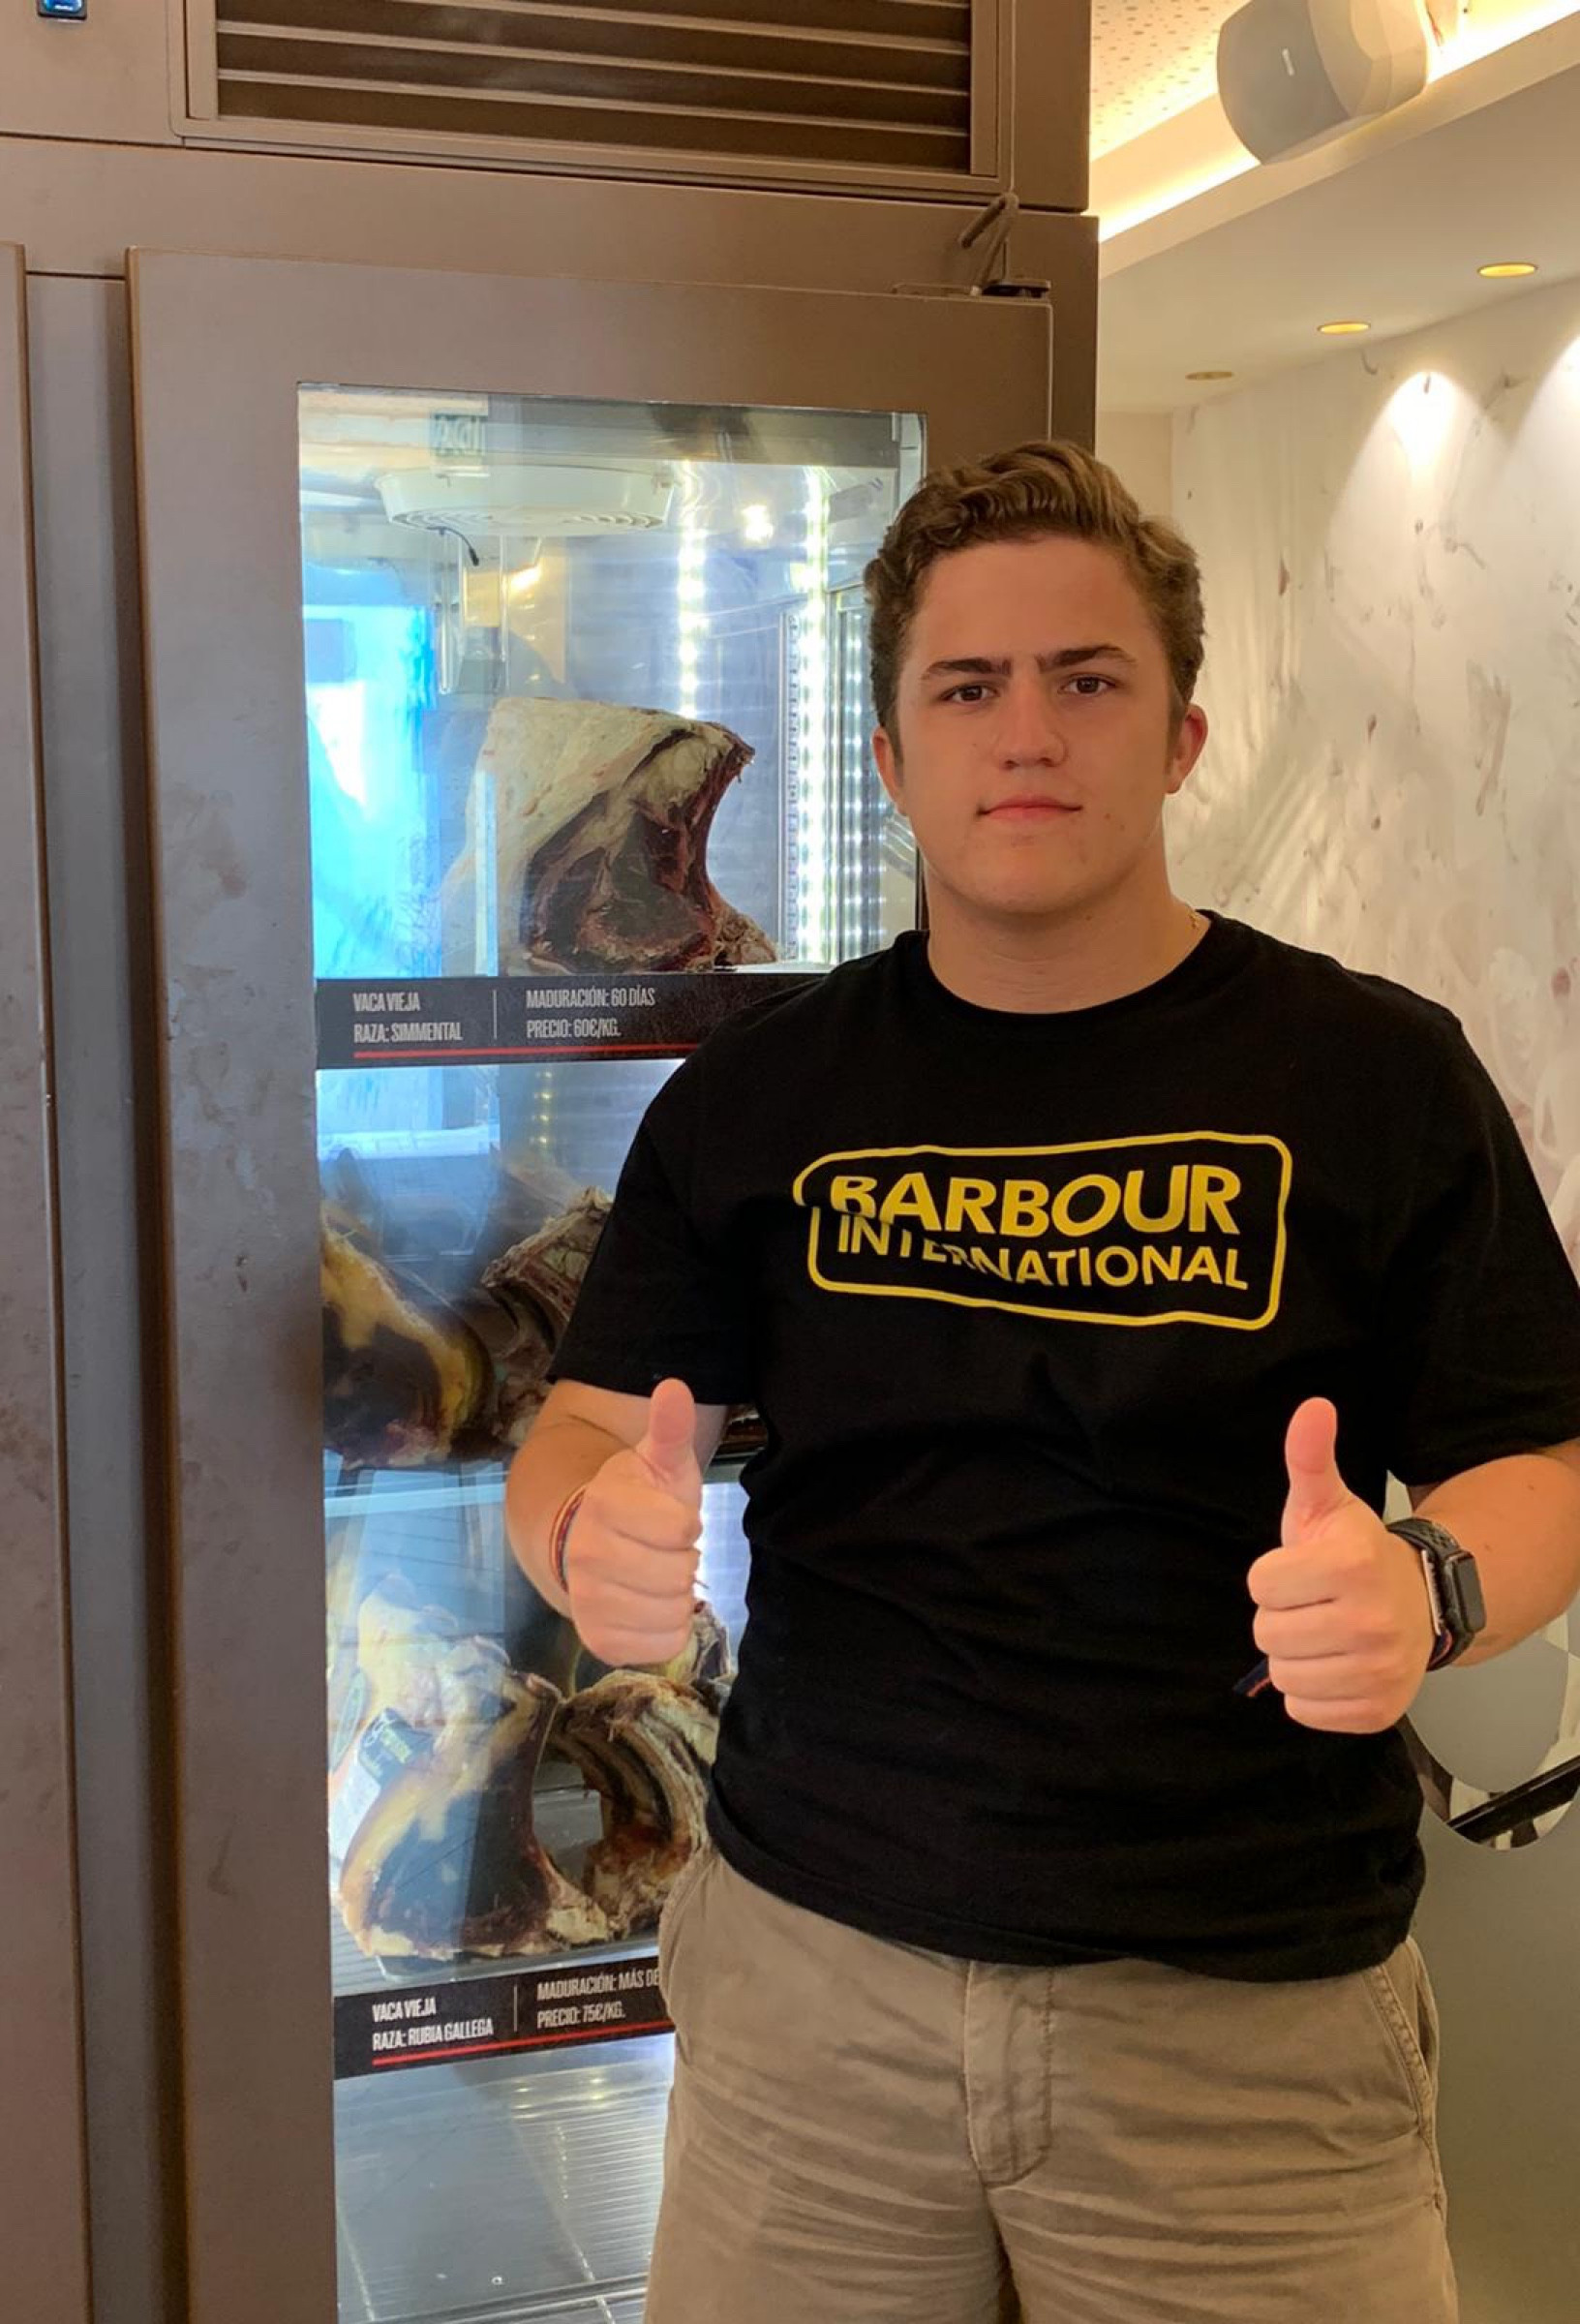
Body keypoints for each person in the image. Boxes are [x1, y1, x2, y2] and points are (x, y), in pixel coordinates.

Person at [502, 443, 1580, 2323]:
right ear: (889, 757)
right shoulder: (759, 1096)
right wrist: (584, 1536)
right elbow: (584, 1431)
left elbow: (1540, 1461)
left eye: (1087, 679)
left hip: (1242, 2033)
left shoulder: (1376, 1078)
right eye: (967, 687)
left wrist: (1428, 1588)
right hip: (811, 1999)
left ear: (1180, 736)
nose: (1027, 733)